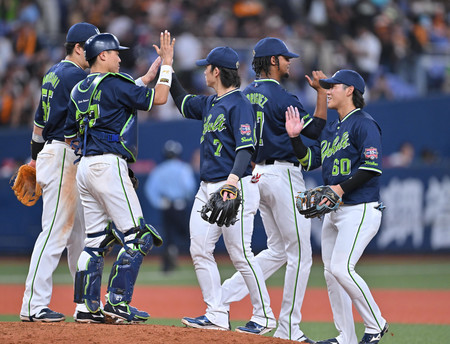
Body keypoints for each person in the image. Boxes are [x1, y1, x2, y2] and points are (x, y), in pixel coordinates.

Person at [220, 37, 327, 342]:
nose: (289, 62)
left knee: (278, 249)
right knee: (300, 254)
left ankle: (221, 297)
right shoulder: (283, 97)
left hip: (254, 174)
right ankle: (288, 328)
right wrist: (321, 95)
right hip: (282, 174)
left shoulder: (242, 95)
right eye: (284, 58)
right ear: (272, 62)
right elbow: (315, 131)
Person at [64, 30, 175, 324]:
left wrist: (146, 78)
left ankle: (86, 307)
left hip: (85, 167)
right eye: (115, 52)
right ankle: (117, 302)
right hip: (108, 165)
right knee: (138, 237)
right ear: (102, 55)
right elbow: (161, 99)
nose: (119, 56)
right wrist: (167, 66)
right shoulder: (115, 83)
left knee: (95, 240)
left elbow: (69, 134)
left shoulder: (79, 89)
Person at [169, 46, 277, 334]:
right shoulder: (210, 104)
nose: (204, 71)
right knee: (199, 249)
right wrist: (167, 67)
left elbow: (246, 148)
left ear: (217, 71)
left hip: (235, 184)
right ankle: (216, 313)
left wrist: (231, 181)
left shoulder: (239, 104)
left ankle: (264, 316)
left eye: (207, 67)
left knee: (241, 253)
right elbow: (180, 100)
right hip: (208, 187)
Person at [285, 69, 389, 344]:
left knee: (342, 268)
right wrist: (295, 138)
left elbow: (371, 167)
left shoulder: (364, 124)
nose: (328, 90)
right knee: (331, 274)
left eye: (334, 86)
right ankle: (346, 337)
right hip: (334, 210)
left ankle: (376, 323)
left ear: (350, 91)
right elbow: (309, 161)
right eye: (327, 87)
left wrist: (338, 189)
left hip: (360, 208)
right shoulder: (332, 128)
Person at [20, 22, 100, 323]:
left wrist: (34, 160)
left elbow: (38, 124)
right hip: (64, 154)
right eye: (91, 48)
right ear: (79, 48)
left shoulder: (53, 72)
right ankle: (33, 305)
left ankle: (86, 305)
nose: (95, 53)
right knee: (55, 231)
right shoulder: (76, 75)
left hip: (53, 153)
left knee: (79, 235)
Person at [144, 140, 196, 273]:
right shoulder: (184, 168)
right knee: (188, 234)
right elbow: (189, 187)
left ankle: (169, 260)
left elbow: (150, 189)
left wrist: (159, 202)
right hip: (180, 205)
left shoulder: (159, 170)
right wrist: (187, 198)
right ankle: (197, 259)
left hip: (166, 206)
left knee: (169, 234)